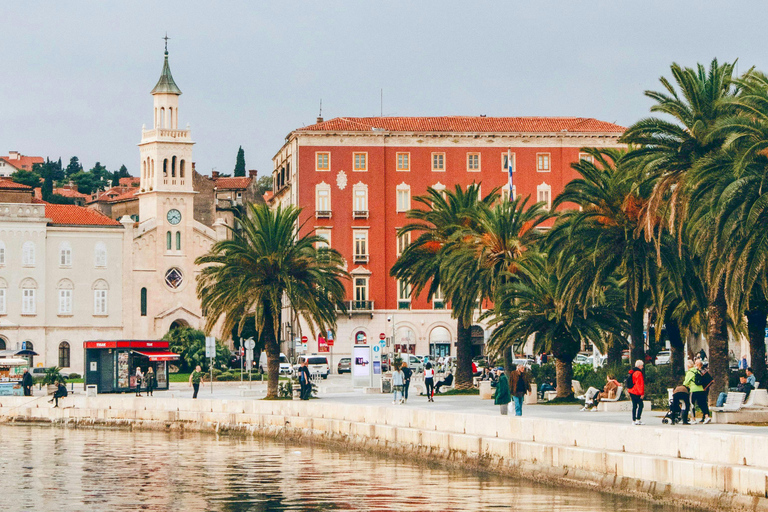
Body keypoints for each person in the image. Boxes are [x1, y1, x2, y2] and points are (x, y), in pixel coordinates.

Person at [684, 360, 711, 424]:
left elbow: (685, 383)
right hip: (701, 390)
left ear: (688, 366)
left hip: (693, 390)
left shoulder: (689, 372)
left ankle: (693, 419)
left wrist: (688, 385)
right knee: (703, 404)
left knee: (692, 404)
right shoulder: (698, 371)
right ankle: (707, 417)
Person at [627, 360, 645, 425]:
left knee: (634, 406)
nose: (642, 367)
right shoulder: (639, 373)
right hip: (636, 391)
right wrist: (641, 393)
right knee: (641, 405)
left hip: (631, 391)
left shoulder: (632, 372)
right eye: (642, 365)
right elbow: (640, 384)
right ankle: (638, 419)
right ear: (639, 366)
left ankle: (633, 420)